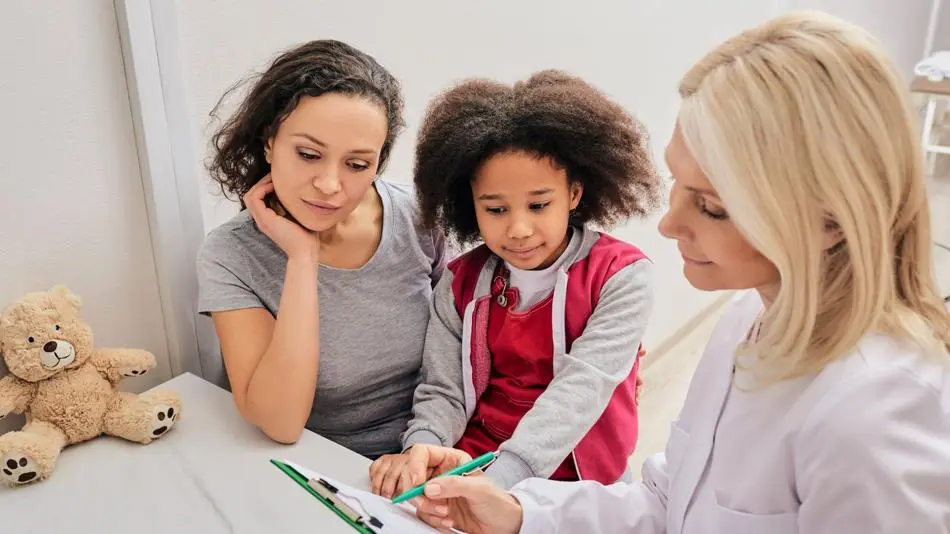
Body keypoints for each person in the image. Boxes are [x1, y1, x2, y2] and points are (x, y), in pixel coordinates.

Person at [402, 12, 950, 533]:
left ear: (830, 218)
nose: (668, 224)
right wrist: (519, 514)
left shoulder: (876, 414)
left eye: (711, 206)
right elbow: (671, 501)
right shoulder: (745, 320)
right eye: (677, 186)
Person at [368, 70, 662, 497]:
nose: (519, 229)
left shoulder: (622, 275)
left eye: (539, 205)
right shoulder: (460, 282)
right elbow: (443, 388)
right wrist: (422, 448)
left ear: (575, 193)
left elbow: (581, 390)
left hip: (580, 478)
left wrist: (501, 482)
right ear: (470, 204)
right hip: (474, 463)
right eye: (496, 210)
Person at [195, 40, 449, 456]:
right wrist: (302, 259)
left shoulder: (419, 218)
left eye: (357, 164)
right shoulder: (231, 254)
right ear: (269, 142)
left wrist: (426, 446)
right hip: (317, 465)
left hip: (433, 448)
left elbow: (460, 359)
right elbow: (280, 422)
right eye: (309, 154)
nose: (330, 185)